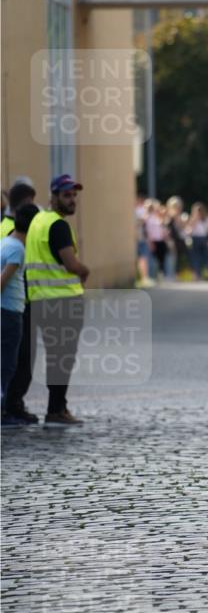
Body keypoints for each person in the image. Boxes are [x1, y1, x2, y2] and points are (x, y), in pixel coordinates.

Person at [25, 174, 90, 426]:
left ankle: (56, 408)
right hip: (62, 302)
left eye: (74, 195)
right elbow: (71, 264)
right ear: (53, 196)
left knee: (56, 356)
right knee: (63, 357)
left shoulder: (38, 220)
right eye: (66, 195)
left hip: (40, 301)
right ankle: (56, 410)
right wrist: (85, 271)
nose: (72, 200)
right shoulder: (58, 226)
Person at [1, 203, 39, 426]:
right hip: (10, 313)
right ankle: (3, 412)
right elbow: (3, 281)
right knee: (7, 364)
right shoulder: (17, 249)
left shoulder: (4, 242)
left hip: (7, 311)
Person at [187, 202, 208, 280]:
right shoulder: (193, 219)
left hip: (204, 239)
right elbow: (189, 230)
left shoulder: (207, 219)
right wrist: (194, 220)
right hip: (196, 239)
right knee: (196, 258)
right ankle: (197, 274)